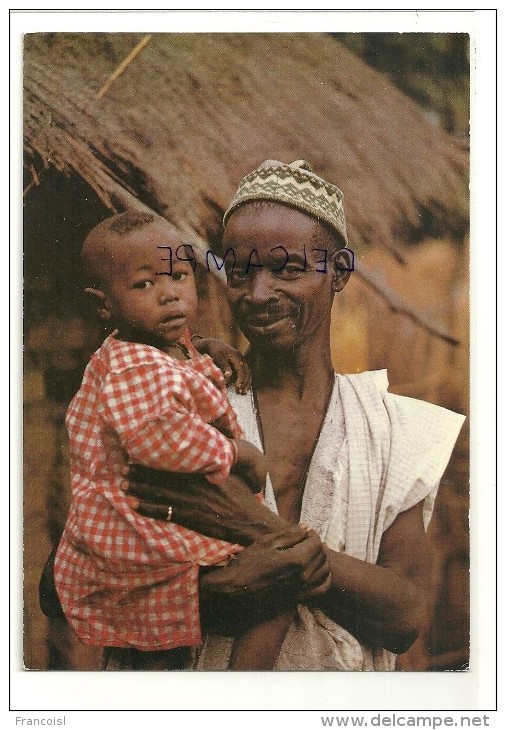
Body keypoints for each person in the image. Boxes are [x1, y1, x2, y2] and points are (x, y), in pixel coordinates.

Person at [122, 159, 465, 671]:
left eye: (287, 269)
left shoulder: (392, 428)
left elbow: (404, 615)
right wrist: (242, 581)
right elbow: (72, 582)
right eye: (240, 271)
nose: (258, 294)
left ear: (340, 272)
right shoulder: (178, 404)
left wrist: (250, 529)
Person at [53, 209, 322, 670]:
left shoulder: (155, 352)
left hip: (139, 529)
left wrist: (206, 349)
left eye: (179, 276)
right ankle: (240, 692)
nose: (170, 294)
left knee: (164, 650)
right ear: (103, 306)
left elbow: (174, 379)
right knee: (283, 582)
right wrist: (234, 452)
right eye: (144, 285)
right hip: (146, 535)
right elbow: (159, 434)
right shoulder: (137, 366)